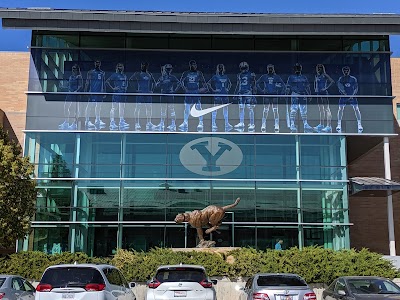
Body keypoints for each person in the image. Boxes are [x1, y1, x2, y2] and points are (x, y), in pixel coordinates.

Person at [179, 60, 208, 132]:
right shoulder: (186, 73)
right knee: (187, 107)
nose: (194, 66)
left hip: (195, 91)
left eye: (195, 65)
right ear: (190, 65)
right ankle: (185, 122)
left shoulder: (199, 73)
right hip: (189, 92)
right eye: (192, 65)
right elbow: (181, 82)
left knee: (198, 107)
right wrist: (185, 89)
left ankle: (201, 122)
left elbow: (204, 83)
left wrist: (201, 90)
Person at [256, 64, 285, 133]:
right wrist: (261, 91)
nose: (270, 69)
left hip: (274, 94)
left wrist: (281, 93)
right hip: (267, 94)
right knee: (265, 109)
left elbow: (283, 85)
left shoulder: (276, 77)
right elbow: (257, 83)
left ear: (273, 69)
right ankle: (263, 124)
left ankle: (277, 124)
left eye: (271, 68)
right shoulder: (264, 76)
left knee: (275, 109)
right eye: (269, 68)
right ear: (267, 69)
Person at [286, 63, 313, 133]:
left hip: (302, 94)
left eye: (298, 68)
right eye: (296, 68)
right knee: (293, 110)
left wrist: (309, 95)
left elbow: (307, 87)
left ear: (300, 69)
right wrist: (286, 95)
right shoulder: (291, 77)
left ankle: (305, 124)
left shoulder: (304, 77)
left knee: (303, 110)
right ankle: (292, 124)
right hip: (295, 94)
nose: (297, 69)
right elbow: (288, 87)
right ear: (294, 69)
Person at [130, 62, 156, 131]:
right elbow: (130, 80)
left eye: (145, 65)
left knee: (149, 108)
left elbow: (154, 82)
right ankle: (137, 123)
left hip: (147, 93)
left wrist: (151, 90)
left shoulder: (149, 74)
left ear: (147, 66)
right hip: (140, 93)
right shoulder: (138, 74)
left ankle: (149, 123)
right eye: (142, 65)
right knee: (138, 107)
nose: (143, 66)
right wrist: (135, 90)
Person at [336, 66, 363, 133]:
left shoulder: (353, 79)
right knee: (340, 109)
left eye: (347, 70)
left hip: (352, 96)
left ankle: (359, 124)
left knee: (356, 108)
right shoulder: (341, 79)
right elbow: (340, 87)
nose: (346, 71)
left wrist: (352, 95)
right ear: (343, 71)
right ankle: (339, 124)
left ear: (349, 71)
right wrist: (345, 94)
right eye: (344, 70)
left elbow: (356, 88)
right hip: (343, 96)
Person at [154, 64, 180, 131]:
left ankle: (173, 124)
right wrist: (159, 83)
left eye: (169, 69)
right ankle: (162, 123)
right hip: (163, 94)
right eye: (167, 69)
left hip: (170, 95)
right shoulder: (162, 77)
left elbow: (179, 84)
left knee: (171, 110)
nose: (168, 70)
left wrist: (174, 91)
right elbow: (157, 86)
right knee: (163, 110)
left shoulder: (172, 77)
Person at [207, 63, 233, 132]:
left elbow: (230, 84)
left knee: (225, 109)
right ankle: (213, 123)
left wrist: (228, 89)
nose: (221, 69)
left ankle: (226, 123)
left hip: (225, 94)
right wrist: (213, 90)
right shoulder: (215, 76)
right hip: (218, 94)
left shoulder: (226, 76)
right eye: (220, 68)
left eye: (222, 68)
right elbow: (208, 83)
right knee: (215, 109)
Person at [58, 64, 83, 130]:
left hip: (75, 94)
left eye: (75, 69)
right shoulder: (71, 77)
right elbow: (69, 86)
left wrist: (76, 91)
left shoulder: (79, 77)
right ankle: (66, 122)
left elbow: (81, 86)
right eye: (73, 69)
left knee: (75, 109)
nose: (74, 70)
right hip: (69, 93)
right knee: (66, 107)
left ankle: (74, 123)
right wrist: (63, 87)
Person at [234, 61, 257, 132]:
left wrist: (254, 95)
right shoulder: (240, 75)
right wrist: (236, 93)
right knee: (241, 107)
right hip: (242, 92)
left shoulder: (251, 74)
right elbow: (238, 85)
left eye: (244, 68)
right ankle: (241, 122)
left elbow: (253, 85)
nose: (243, 69)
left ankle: (252, 123)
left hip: (248, 92)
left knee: (249, 108)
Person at [106, 63, 129, 130]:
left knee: (122, 107)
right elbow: (107, 81)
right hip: (116, 94)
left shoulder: (124, 75)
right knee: (114, 108)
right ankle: (112, 122)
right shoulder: (115, 75)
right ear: (117, 67)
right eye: (119, 66)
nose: (120, 67)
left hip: (123, 94)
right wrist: (113, 88)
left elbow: (126, 83)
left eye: (121, 66)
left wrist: (125, 88)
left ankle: (121, 121)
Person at [84, 59, 106, 129]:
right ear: (94, 63)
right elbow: (87, 82)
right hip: (92, 91)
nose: (97, 64)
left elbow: (103, 82)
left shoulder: (102, 73)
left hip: (99, 92)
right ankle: (87, 120)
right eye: (96, 62)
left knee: (98, 106)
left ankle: (97, 119)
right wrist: (85, 91)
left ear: (100, 64)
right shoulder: (91, 72)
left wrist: (104, 92)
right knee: (89, 106)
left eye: (99, 62)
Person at [314, 64, 335, 133]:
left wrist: (326, 88)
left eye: (320, 67)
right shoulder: (316, 75)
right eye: (318, 68)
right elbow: (316, 84)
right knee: (321, 109)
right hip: (318, 93)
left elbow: (332, 81)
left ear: (322, 68)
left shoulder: (324, 75)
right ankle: (321, 124)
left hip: (323, 93)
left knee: (326, 109)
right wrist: (315, 90)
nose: (319, 69)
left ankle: (329, 126)